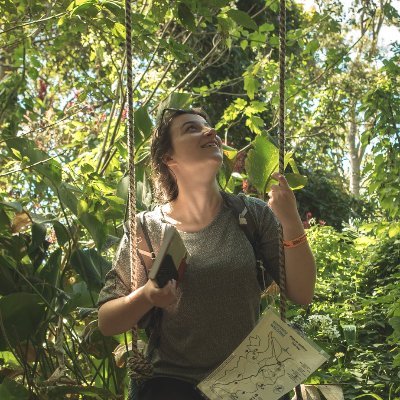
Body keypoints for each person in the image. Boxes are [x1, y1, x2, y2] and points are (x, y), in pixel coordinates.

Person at [97, 108, 316, 400]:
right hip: (172, 387)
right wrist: (147, 295)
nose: (210, 132)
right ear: (169, 158)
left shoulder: (252, 214)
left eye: (208, 126)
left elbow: (302, 293)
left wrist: (291, 220)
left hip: (247, 385)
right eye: (191, 129)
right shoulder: (146, 228)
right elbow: (107, 321)